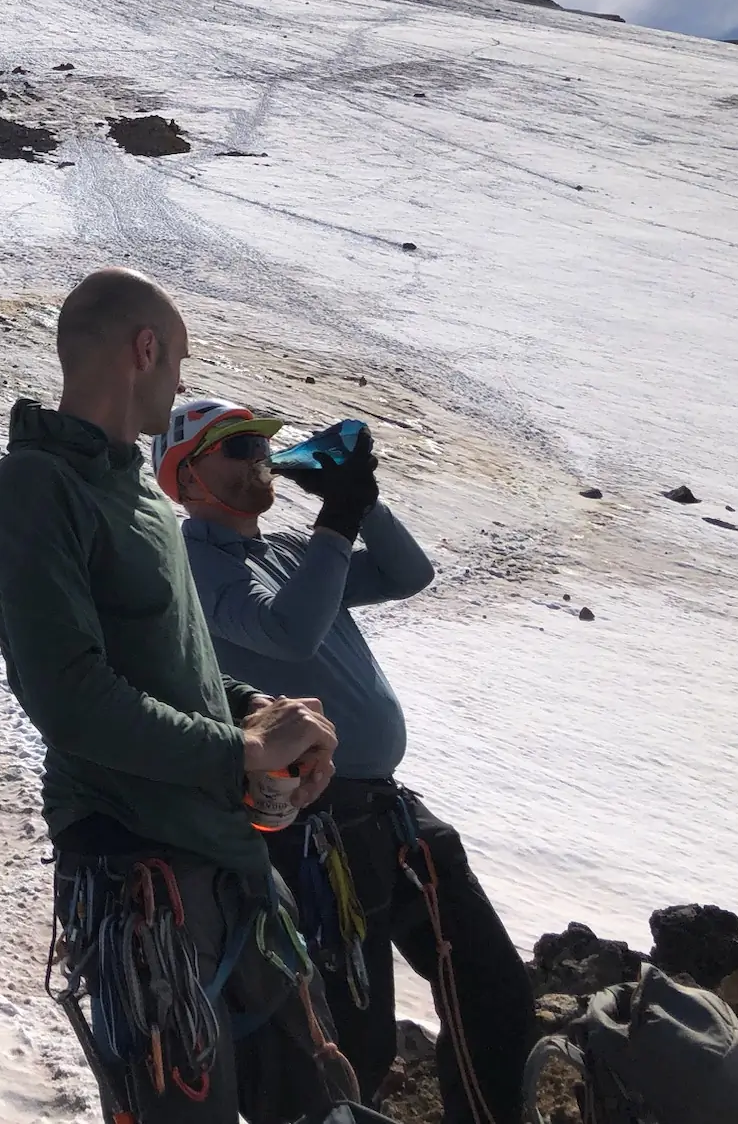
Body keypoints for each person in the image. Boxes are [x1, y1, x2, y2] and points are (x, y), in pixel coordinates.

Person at [0, 269, 357, 1124]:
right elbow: (68, 696)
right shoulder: (33, 488)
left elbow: (174, 665)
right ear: (144, 348)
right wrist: (238, 753)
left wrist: (256, 708)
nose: (181, 381)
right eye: (177, 358)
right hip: (137, 876)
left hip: (220, 863)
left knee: (310, 1102)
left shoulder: (136, 494)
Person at [155, 398, 534, 1124]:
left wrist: (357, 505)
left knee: (489, 988)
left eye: (261, 443)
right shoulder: (193, 569)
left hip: (379, 808)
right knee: (349, 1039)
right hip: (308, 823)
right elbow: (287, 632)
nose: (257, 457)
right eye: (235, 447)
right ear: (187, 476)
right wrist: (335, 521)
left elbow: (407, 574)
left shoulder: (290, 552)